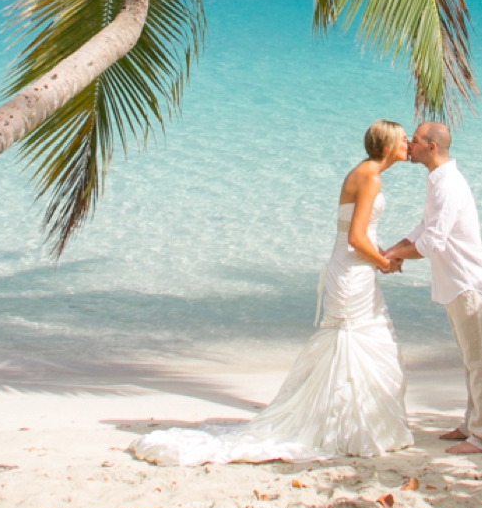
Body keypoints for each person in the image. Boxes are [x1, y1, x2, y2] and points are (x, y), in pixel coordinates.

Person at [131, 120, 414, 465]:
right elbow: (356, 238)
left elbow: (357, 235)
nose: (408, 143)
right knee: (356, 340)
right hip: (353, 271)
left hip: (351, 267)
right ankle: (351, 428)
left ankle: (349, 424)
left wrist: (382, 255)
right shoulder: (370, 178)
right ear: (387, 146)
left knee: (354, 341)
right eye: (403, 139)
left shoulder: (361, 173)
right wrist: (384, 263)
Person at [382, 121, 482, 455]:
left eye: (415, 140)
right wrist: (391, 252)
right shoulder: (437, 181)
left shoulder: (448, 185)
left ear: (431, 147)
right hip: (458, 283)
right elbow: (423, 229)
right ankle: (472, 424)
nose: (408, 144)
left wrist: (395, 256)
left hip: (470, 282)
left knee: (480, 362)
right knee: (470, 359)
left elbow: (432, 243)